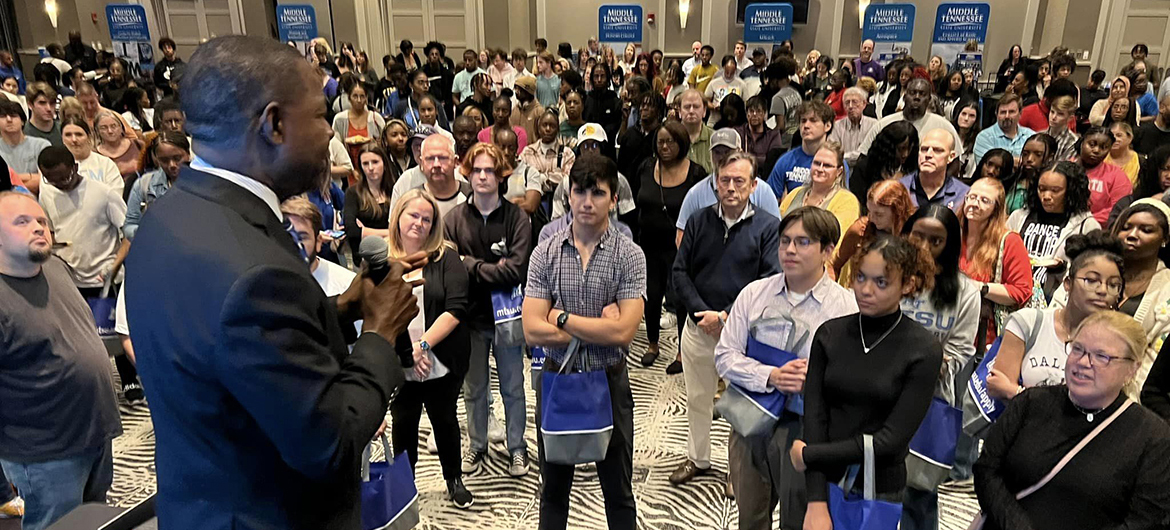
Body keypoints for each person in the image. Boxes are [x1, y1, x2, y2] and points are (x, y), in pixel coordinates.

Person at [125, 36, 426, 529]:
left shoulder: (167, 217)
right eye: (321, 116)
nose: (329, 134)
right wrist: (380, 332)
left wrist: (339, 309)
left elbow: (236, 349)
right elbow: (331, 445)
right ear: (274, 124)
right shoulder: (254, 271)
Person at [523, 152, 645, 530]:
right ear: (568, 195)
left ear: (614, 198)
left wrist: (561, 317)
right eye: (579, 191)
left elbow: (623, 333)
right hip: (557, 377)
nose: (587, 202)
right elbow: (531, 330)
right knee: (553, 492)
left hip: (609, 379)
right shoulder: (545, 252)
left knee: (618, 492)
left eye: (598, 193)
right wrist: (599, 326)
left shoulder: (630, 255)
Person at [716, 205, 856, 530]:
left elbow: (853, 380)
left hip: (806, 429)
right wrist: (771, 376)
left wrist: (817, 381)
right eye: (785, 241)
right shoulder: (755, 294)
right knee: (750, 517)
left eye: (803, 242)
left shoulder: (845, 308)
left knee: (797, 519)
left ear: (827, 251)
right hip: (749, 419)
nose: (790, 250)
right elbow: (724, 355)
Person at [792, 234, 943, 530]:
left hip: (879, 487)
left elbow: (890, 441)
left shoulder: (923, 349)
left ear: (908, 285)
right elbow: (815, 419)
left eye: (881, 282)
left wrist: (809, 455)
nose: (865, 290)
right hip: (822, 479)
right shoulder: (830, 334)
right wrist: (816, 500)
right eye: (860, 277)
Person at [974, 310, 1170, 530]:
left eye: (1101, 356)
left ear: (1132, 369)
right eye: (1077, 349)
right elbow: (986, 470)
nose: (1083, 362)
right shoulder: (1032, 402)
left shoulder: (1153, 438)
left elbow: (1145, 520)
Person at [0, 191, 123, 530]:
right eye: (22, 222)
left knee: (95, 520)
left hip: (95, 430)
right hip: (46, 452)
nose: (39, 227)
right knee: (59, 525)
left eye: (41, 220)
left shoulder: (55, 267)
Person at [670, 150, 781, 485]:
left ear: (754, 185)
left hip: (743, 334)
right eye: (725, 180)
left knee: (739, 405)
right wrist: (701, 314)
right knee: (697, 398)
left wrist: (727, 316)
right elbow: (680, 272)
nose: (731, 187)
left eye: (739, 181)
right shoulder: (698, 220)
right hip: (698, 327)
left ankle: (738, 471)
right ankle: (698, 458)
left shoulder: (768, 226)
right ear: (715, 183)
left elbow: (769, 280)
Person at [442, 142, 532, 478]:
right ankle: (477, 445)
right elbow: (450, 269)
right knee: (474, 389)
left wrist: (471, 265)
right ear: (467, 174)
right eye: (476, 170)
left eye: (489, 171)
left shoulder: (517, 217)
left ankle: (517, 448)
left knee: (513, 387)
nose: (482, 176)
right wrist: (493, 267)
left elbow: (516, 271)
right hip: (470, 318)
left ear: (501, 176)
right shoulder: (453, 219)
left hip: (509, 316)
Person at [896, 204, 980, 530]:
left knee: (919, 492)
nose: (924, 247)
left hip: (929, 400)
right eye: (918, 236)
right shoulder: (888, 275)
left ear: (950, 245)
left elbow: (960, 352)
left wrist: (915, 361)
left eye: (936, 240)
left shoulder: (965, 291)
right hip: (877, 394)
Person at [636, 120, 705, 369]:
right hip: (648, 244)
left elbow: (702, 212)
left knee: (680, 299)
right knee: (652, 295)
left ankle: (681, 352)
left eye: (670, 142)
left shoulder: (696, 173)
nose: (664, 147)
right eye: (660, 142)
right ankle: (652, 343)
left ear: (681, 143)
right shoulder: (646, 167)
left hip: (680, 248)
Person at [1008, 162, 1101, 301]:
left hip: (1055, 298)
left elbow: (1091, 270)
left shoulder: (1087, 225)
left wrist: (1063, 267)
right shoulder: (1019, 216)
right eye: (1041, 189)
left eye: (1055, 191)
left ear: (1071, 191)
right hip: (1014, 291)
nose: (1046, 196)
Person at [961, 177, 1034, 346]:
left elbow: (1021, 291)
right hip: (953, 328)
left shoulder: (1009, 241)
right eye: (972, 197)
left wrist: (980, 287)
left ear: (996, 208)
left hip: (986, 337)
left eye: (984, 200)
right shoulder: (953, 234)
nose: (975, 204)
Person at [832, 179, 915, 286]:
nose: (871, 218)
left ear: (897, 211)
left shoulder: (914, 234)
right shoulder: (861, 230)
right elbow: (835, 264)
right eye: (869, 211)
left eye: (879, 214)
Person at [858, 78, 963, 158]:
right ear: (904, 97)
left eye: (922, 94)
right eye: (912, 93)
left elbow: (955, 160)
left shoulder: (944, 126)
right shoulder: (884, 124)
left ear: (929, 99)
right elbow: (864, 156)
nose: (917, 97)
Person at [780, 141, 860, 245]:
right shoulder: (795, 193)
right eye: (817, 163)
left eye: (827, 166)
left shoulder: (847, 201)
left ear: (839, 171)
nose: (820, 169)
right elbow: (778, 227)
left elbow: (839, 244)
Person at [124, 132, 189, 242]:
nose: (172, 165)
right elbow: (130, 224)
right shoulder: (144, 184)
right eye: (164, 160)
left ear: (188, 154)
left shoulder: (204, 183)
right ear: (157, 159)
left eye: (177, 158)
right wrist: (145, 232)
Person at [769, 101, 837, 198]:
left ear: (827, 126)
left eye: (813, 121)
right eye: (803, 121)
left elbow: (843, 200)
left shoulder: (836, 163)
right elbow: (769, 199)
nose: (806, 126)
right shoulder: (785, 161)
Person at [848, 120, 919, 207]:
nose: (905, 154)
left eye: (910, 148)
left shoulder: (915, 171)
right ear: (889, 147)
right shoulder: (865, 168)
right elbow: (857, 203)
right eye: (901, 149)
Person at [343, 144, 394, 262]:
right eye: (365, 164)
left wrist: (365, 231)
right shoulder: (353, 193)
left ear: (384, 164)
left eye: (375, 162)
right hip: (364, 258)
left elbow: (403, 228)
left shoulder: (394, 189)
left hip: (392, 255)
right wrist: (390, 233)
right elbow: (352, 231)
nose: (370, 168)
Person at [1076, 126, 1132, 224]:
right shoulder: (1063, 169)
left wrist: (1086, 223)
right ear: (1082, 142)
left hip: (1096, 228)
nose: (1096, 150)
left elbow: (1118, 209)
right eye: (1092, 145)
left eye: (1104, 147)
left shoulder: (1117, 176)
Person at [902, 128, 969, 210]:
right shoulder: (899, 189)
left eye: (937, 150)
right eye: (924, 149)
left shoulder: (963, 195)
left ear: (951, 157)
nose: (928, 155)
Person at [0, 100, 50, 192]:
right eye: (3, 116)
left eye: (13, 116)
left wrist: (11, 180)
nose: (9, 120)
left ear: (23, 121)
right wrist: (30, 177)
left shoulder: (42, 145)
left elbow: (45, 181)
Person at [494, 127, 545, 214]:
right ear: (495, 148)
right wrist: (515, 203)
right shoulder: (488, 172)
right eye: (502, 147)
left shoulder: (530, 172)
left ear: (517, 148)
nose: (506, 152)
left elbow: (530, 206)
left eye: (511, 148)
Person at [973, 93, 1035, 164]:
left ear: (1020, 113)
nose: (1007, 116)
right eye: (1003, 112)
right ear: (996, 114)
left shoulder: (1031, 136)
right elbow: (987, 166)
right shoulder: (984, 137)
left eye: (1011, 112)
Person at [617, 92, 665, 182]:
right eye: (643, 105)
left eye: (650, 105)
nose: (645, 108)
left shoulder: (662, 136)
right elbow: (621, 166)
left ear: (658, 111)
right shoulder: (630, 134)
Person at [829, 87, 878, 165]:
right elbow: (833, 152)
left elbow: (871, 154)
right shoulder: (837, 126)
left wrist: (844, 157)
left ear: (864, 104)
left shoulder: (874, 125)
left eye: (855, 102)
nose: (850, 106)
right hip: (843, 168)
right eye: (847, 103)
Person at [94, 110, 143, 186]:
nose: (110, 131)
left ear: (121, 128)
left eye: (113, 126)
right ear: (97, 131)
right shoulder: (95, 155)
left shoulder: (138, 145)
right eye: (104, 128)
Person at [768, 57, 803, 150]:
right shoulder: (795, 92)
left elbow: (780, 127)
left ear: (774, 81)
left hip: (784, 143)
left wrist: (768, 136)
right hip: (798, 136)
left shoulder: (778, 98)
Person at [678, 89, 714, 173]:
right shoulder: (670, 139)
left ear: (704, 111)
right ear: (679, 111)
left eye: (696, 107)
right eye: (687, 107)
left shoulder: (715, 139)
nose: (691, 111)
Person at [583, 63, 622, 142]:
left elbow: (616, 125)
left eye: (602, 76)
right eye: (596, 76)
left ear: (607, 78)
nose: (599, 80)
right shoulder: (587, 100)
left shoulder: (615, 101)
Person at [704, 55, 746, 127]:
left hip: (735, 122)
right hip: (715, 120)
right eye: (727, 72)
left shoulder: (741, 84)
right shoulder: (714, 83)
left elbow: (746, 102)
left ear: (735, 69)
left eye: (731, 72)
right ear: (723, 68)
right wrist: (713, 106)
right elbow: (706, 100)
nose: (729, 74)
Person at [1044, 95, 1080, 162]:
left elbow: (1064, 166)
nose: (1053, 117)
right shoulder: (1040, 134)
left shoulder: (1073, 142)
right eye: (1052, 112)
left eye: (1060, 114)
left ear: (1070, 118)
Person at [23, 82, 61, 146]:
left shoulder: (64, 130)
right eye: (42, 103)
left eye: (52, 103)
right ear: (30, 105)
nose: (49, 108)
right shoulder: (23, 134)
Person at [422, 41, 455, 117]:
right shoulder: (423, 72)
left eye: (436, 54)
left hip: (445, 108)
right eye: (432, 54)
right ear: (428, 56)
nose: (434, 56)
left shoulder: (447, 74)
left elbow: (450, 93)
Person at [1106, 121, 1140, 186]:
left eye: (1119, 135)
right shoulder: (1101, 158)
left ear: (1130, 138)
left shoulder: (1140, 161)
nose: (1114, 139)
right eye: (1111, 136)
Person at [511, 76, 544, 143]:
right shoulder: (515, 110)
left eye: (519, 89)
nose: (516, 92)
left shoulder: (539, 112)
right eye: (515, 89)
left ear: (528, 91)